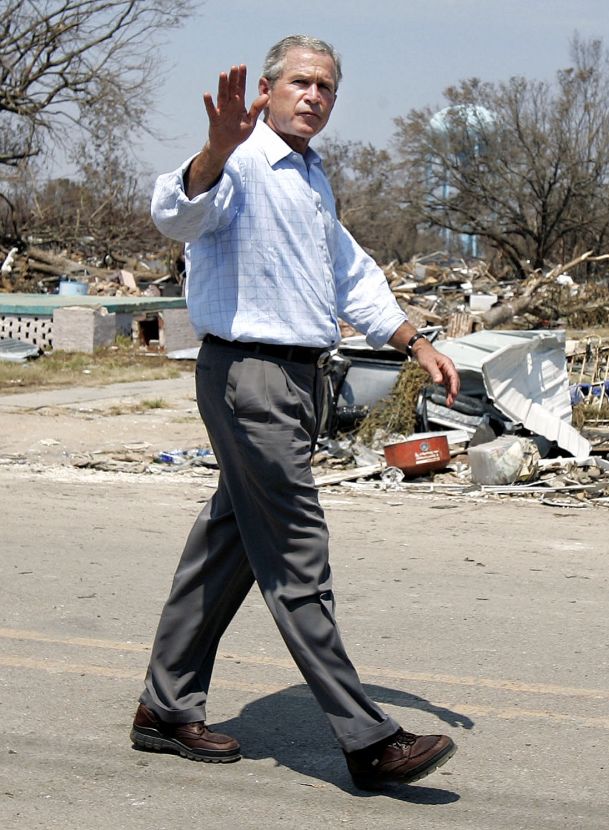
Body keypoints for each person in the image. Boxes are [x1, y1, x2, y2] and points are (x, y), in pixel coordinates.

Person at [131, 35, 461, 789]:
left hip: (298, 381)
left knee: (232, 545)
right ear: (268, 91)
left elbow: (348, 271)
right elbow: (174, 214)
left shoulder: (310, 177)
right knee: (296, 550)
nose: (313, 96)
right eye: (300, 83)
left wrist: (413, 339)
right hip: (249, 375)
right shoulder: (241, 161)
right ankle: (367, 738)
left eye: (326, 88)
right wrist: (211, 153)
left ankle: (164, 705)